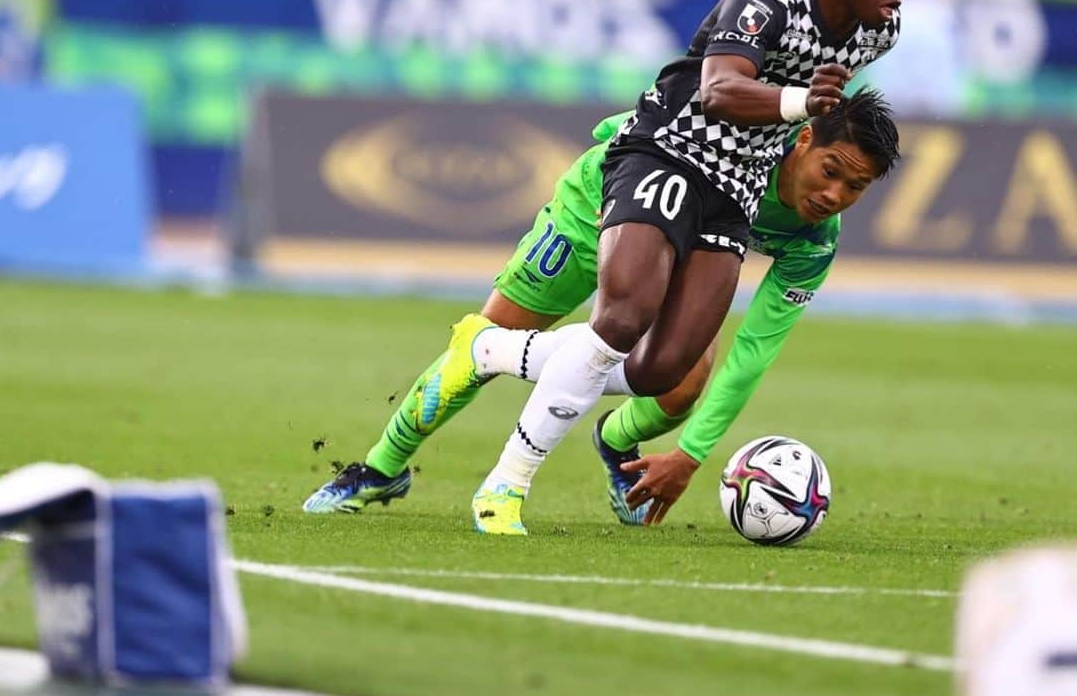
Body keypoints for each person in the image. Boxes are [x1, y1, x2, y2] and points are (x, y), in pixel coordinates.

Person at [303, 90, 901, 532]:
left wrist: (690, 455)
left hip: (690, 240)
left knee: (684, 378)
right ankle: (381, 468)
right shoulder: (751, 140)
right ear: (803, 140)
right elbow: (664, 112)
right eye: (831, 173)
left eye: (856, 189)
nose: (833, 197)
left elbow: (756, 348)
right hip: (598, 206)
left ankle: (615, 445)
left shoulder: (815, 240)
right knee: (487, 344)